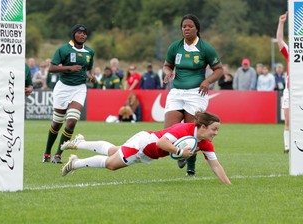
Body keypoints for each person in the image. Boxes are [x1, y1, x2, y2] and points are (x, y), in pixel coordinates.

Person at [60, 111, 231, 185]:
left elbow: (215, 165)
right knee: (112, 164)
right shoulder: (183, 129)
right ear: (202, 126)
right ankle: (75, 163)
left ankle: (78, 143)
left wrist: (228, 185)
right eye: (214, 129)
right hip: (144, 145)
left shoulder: (205, 143)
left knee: (113, 151)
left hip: (146, 146)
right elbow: (161, 143)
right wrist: (180, 152)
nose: (216, 133)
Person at [162, 14, 223, 176]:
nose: (186, 29)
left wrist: (207, 81)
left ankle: (190, 166)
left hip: (196, 93)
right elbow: (167, 65)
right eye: (184, 27)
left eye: (190, 26)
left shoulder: (205, 48)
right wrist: (168, 72)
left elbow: (219, 69)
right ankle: (181, 152)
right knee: (168, 130)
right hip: (176, 92)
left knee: (193, 131)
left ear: (197, 29)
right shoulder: (175, 47)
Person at [42, 24, 95, 163]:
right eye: (79, 33)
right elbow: (52, 68)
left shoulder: (89, 52)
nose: (82, 35)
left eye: (84, 33)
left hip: (79, 88)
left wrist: (90, 75)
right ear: (73, 34)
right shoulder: (63, 49)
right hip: (62, 88)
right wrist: (70, 68)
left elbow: (89, 69)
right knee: (57, 123)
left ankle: (58, 154)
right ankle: (47, 152)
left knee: (71, 122)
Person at [276, 12, 290, 153]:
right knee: (287, 120)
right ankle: (287, 146)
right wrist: (281, 22)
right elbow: (279, 39)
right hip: (289, 91)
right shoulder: (290, 53)